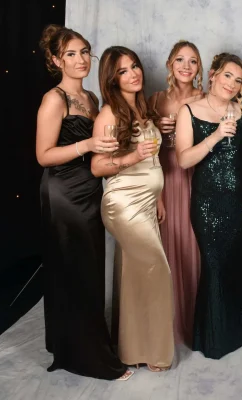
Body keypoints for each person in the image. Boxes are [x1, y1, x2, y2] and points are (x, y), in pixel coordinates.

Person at [36, 25, 130, 380]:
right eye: (71, 54)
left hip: (89, 190)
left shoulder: (91, 98)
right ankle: (88, 358)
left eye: (85, 52)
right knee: (75, 272)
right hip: (63, 194)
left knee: (88, 271)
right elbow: (43, 156)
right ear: (56, 60)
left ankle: (78, 343)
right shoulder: (54, 99)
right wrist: (87, 145)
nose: (80, 60)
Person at [91, 46, 174, 372]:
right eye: (123, 71)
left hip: (146, 202)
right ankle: (155, 351)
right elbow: (98, 167)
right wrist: (131, 156)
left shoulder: (143, 109)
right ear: (112, 79)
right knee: (157, 270)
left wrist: (158, 198)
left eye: (135, 66)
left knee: (135, 275)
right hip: (123, 204)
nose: (133, 73)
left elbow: (153, 162)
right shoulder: (109, 114)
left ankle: (132, 349)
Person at [175, 53, 242, 359]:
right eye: (227, 76)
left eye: (238, 80)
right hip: (208, 205)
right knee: (214, 268)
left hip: (241, 202)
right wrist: (214, 136)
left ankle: (236, 326)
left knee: (236, 264)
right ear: (212, 74)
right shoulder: (188, 111)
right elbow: (183, 160)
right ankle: (214, 338)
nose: (232, 84)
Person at [148, 40, 204, 346]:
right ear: (170, 63)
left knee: (193, 244)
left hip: (196, 178)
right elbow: (140, 144)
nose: (186, 66)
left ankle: (193, 321)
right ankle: (165, 325)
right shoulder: (155, 100)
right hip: (164, 179)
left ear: (199, 68)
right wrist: (157, 130)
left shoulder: (206, 98)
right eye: (180, 59)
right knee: (166, 246)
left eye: (193, 61)